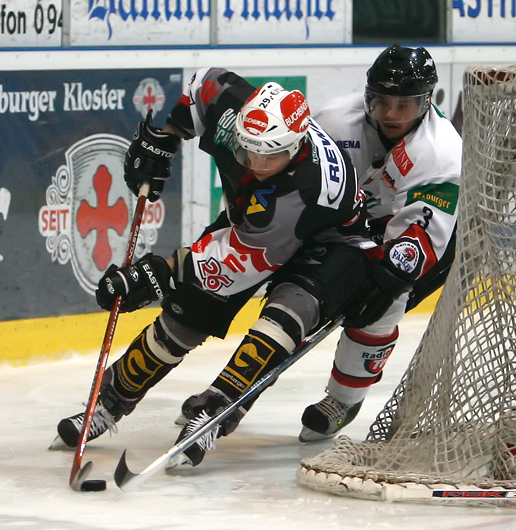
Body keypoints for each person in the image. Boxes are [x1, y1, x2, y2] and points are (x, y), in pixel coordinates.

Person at [53, 70, 375, 467]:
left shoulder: (303, 189)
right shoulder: (238, 112)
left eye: (268, 155)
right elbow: (204, 87)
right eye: (247, 149)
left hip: (332, 245)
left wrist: (157, 272)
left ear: (295, 148)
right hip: (253, 226)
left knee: (283, 319)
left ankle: (214, 411)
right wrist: (167, 138)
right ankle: (109, 401)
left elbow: (236, 260)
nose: (254, 162)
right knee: (182, 319)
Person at [179, 45, 462, 444]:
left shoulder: (442, 153)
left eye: (404, 104)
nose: (390, 114)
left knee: (380, 305)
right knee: (288, 299)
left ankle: (344, 399)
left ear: (427, 101)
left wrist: (384, 278)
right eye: (381, 101)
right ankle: (230, 393)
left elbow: (418, 240)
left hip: (413, 241)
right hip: (338, 225)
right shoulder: (333, 119)